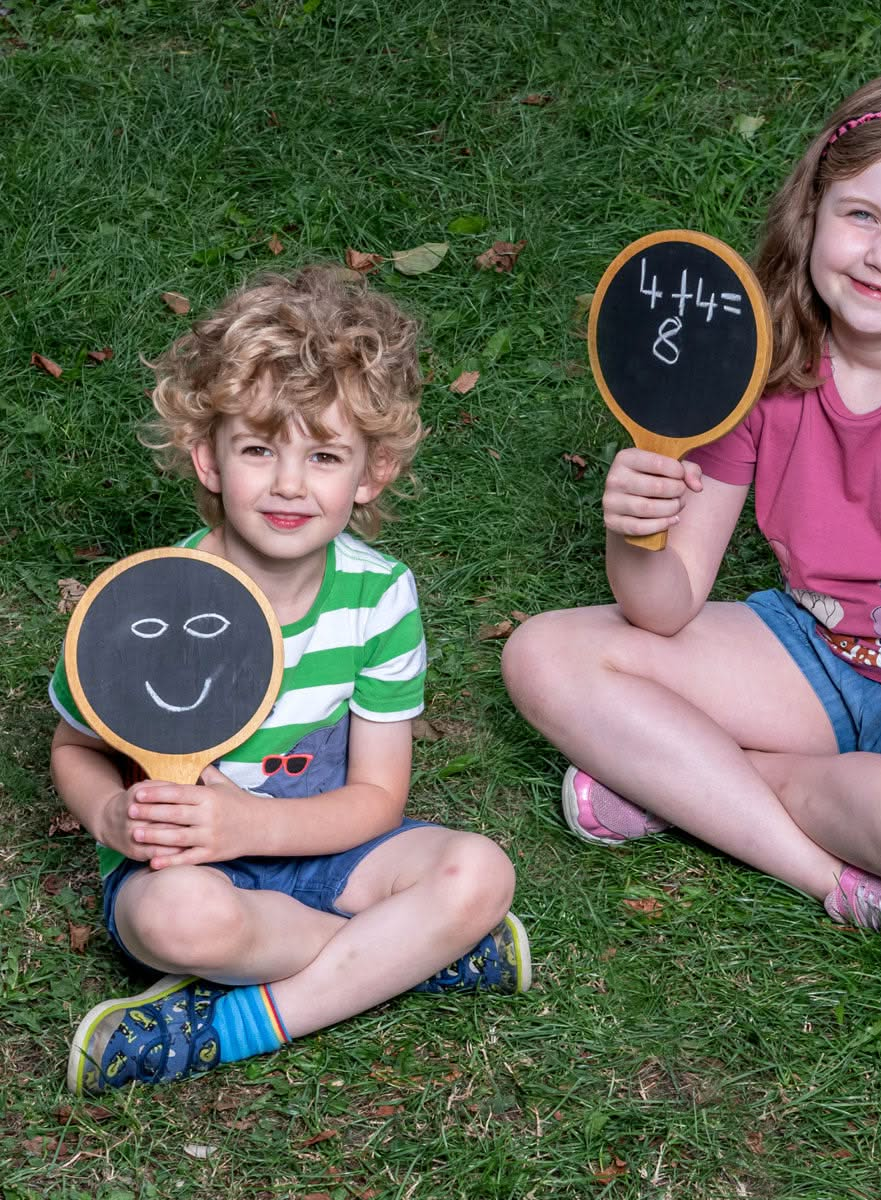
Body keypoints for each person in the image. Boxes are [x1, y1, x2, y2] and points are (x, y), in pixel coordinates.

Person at [502, 70, 881, 977]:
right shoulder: (759, 354)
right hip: (823, 650)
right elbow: (664, 607)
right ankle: (840, 882)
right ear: (813, 212)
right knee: (544, 656)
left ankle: (682, 783)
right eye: (860, 215)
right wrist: (635, 531)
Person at [50, 265, 530, 1096]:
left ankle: (230, 1026)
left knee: (481, 871)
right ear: (207, 456)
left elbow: (378, 800)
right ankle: (410, 952)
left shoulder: (379, 595)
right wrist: (107, 812)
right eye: (259, 448)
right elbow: (73, 745)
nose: (288, 483)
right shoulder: (148, 599)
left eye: (325, 454)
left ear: (371, 473)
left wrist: (251, 825)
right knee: (180, 920)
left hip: (327, 846)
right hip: (185, 872)